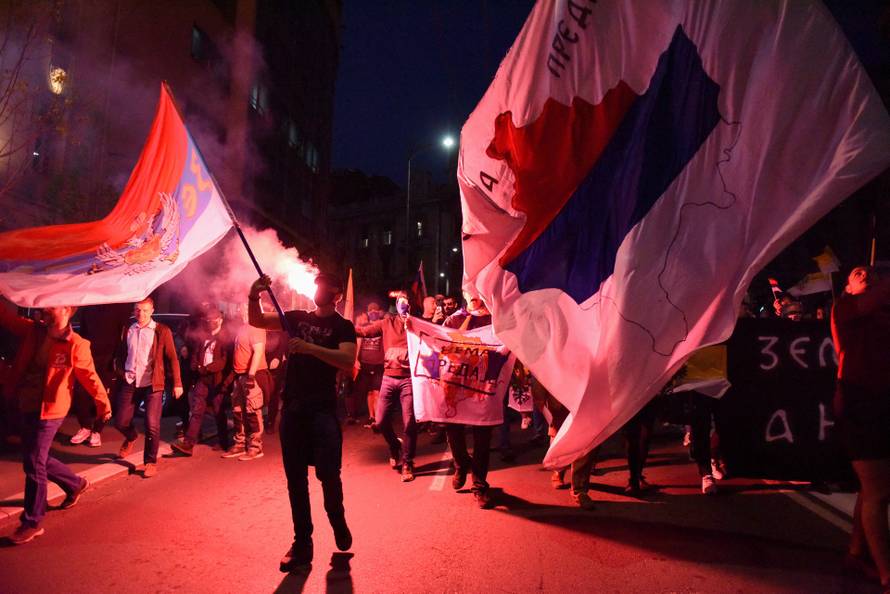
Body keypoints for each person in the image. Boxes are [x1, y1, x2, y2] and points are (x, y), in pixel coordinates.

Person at [249, 272, 356, 572]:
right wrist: (253, 295)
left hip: (322, 411)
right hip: (294, 410)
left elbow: (347, 361)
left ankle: (337, 517)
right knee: (296, 481)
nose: (318, 288)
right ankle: (302, 544)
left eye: (325, 285)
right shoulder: (295, 317)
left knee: (328, 476)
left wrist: (310, 348)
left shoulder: (343, 326)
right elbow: (257, 320)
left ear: (336, 294)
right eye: (317, 283)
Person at [0, 304, 111, 544]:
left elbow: (91, 378)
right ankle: (75, 484)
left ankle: (32, 521)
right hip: (27, 403)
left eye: (55, 305)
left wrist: (104, 405)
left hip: (52, 410)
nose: (48, 308)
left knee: (33, 462)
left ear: (68, 309)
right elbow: (7, 318)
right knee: (35, 457)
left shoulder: (76, 345)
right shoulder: (34, 331)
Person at [831, 265, 890, 590]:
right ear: (847, 288)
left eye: (869, 270)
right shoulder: (845, 309)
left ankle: (856, 554)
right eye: (857, 273)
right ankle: (886, 573)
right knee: (878, 493)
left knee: (873, 488)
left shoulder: (881, 311)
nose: (864, 272)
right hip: (860, 403)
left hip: (883, 403)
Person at [113, 297, 183, 477]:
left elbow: (173, 358)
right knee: (120, 421)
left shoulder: (161, 330)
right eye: (137, 310)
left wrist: (177, 383)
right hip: (130, 381)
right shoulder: (128, 329)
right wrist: (119, 372)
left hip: (153, 383)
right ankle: (130, 436)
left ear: (152, 311)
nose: (141, 314)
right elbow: (120, 354)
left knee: (152, 424)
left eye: (145, 310)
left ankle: (150, 462)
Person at [442, 294, 498, 508]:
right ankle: (460, 464)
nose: (474, 296)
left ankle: (480, 486)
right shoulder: (454, 320)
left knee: (482, 437)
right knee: (454, 432)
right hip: (456, 387)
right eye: (470, 292)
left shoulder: (494, 319)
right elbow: (442, 343)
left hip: (483, 388)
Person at [355, 292, 418, 482]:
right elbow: (364, 331)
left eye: (407, 301)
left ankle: (407, 462)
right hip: (389, 379)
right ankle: (394, 446)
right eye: (400, 301)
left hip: (408, 380)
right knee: (380, 421)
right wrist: (343, 324)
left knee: (409, 423)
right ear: (396, 305)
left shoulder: (417, 324)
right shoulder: (387, 323)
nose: (403, 304)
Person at [170, 309, 230, 456]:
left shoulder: (225, 338)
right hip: (202, 380)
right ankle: (188, 444)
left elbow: (223, 362)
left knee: (218, 411)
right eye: (208, 320)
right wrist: (196, 367)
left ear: (220, 320)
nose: (210, 323)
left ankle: (224, 442)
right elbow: (196, 355)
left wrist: (205, 369)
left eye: (213, 320)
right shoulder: (203, 337)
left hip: (217, 380)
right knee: (197, 411)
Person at [225, 303, 269, 460]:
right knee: (237, 410)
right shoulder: (243, 327)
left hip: (251, 376)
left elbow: (258, 352)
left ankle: (255, 447)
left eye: (245, 308)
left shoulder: (256, 327)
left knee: (252, 411)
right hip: (240, 375)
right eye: (241, 307)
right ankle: (240, 443)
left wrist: (251, 375)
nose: (241, 310)